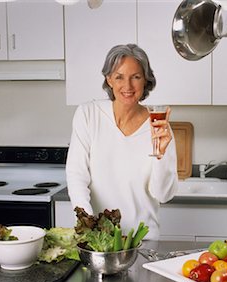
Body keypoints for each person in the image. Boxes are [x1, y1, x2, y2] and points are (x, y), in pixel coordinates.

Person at [66, 44, 178, 240]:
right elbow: (76, 176)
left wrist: (160, 156)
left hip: (144, 240)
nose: (127, 86)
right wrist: (88, 225)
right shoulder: (88, 115)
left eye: (135, 77)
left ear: (145, 80)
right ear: (109, 79)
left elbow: (163, 195)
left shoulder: (159, 127)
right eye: (119, 77)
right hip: (99, 239)